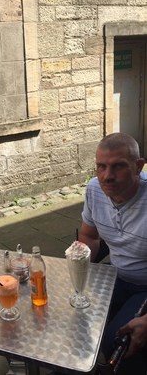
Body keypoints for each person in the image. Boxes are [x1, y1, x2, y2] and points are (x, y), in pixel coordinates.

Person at [79, 132, 147, 374]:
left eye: (118, 166)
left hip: (144, 286)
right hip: (114, 276)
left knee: (118, 339)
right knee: (72, 320)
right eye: (101, 166)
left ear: (138, 166)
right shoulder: (94, 189)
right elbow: (89, 236)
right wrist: (80, 264)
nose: (107, 176)